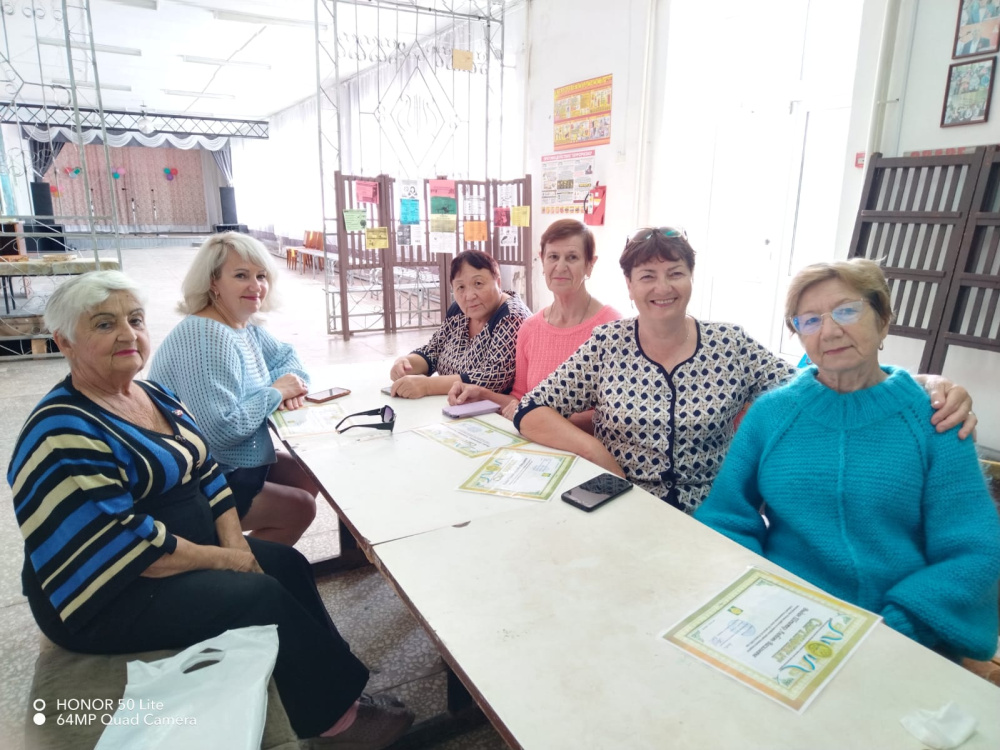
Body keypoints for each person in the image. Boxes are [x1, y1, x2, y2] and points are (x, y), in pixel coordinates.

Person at [7, 272, 413, 747]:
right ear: (65, 342)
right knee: (258, 595)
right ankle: (334, 724)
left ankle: (335, 683)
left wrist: (236, 544)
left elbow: (207, 471)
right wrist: (228, 561)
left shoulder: (150, 394)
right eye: (103, 324)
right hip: (108, 592)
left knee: (287, 564)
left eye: (135, 320)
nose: (127, 334)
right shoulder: (64, 429)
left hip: (176, 552)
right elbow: (129, 545)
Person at [514, 227, 976, 513]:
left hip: (712, 516)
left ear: (690, 279)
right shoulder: (607, 344)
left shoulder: (728, 345)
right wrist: (599, 457)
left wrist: (921, 383)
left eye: (675, 273)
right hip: (621, 505)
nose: (662, 287)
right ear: (630, 287)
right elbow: (531, 410)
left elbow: (815, 384)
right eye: (647, 276)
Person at [694, 259, 1000, 660]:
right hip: (782, 620)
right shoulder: (771, 415)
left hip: (904, 631)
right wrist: (758, 594)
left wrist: (900, 626)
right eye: (810, 320)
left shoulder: (936, 419)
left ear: (883, 321)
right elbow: (725, 516)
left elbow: (976, 550)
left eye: (846, 311)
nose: (829, 331)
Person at [150, 233, 316, 546]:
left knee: (308, 473)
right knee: (301, 508)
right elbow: (222, 430)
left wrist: (282, 386)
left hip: (230, 463)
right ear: (213, 282)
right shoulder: (207, 335)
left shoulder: (242, 325)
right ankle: (237, 568)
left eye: (261, 276)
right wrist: (275, 393)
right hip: (194, 483)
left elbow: (289, 359)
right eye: (241, 276)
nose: (256, 286)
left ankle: (244, 549)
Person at [448, 219, 620, 429]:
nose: (560, 267)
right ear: (542, 260)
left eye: (572, 257)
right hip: (532, 444)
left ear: (590, 264)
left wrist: (541, 417)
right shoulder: (530, 328)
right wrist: (482, 394)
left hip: (584, 448)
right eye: (553, 257)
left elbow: (615, 417)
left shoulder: (612, 327)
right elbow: (520, 399)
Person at [389, 248, 531, 398]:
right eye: (461, 287)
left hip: (493, 409)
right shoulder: (459, 311)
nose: (469, 296)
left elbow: (493, 378)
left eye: (478, 283)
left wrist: (427, 386)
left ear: (498, 282)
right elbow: (433, 351)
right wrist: (406, 364)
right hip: (450, 404)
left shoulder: (512, 317)